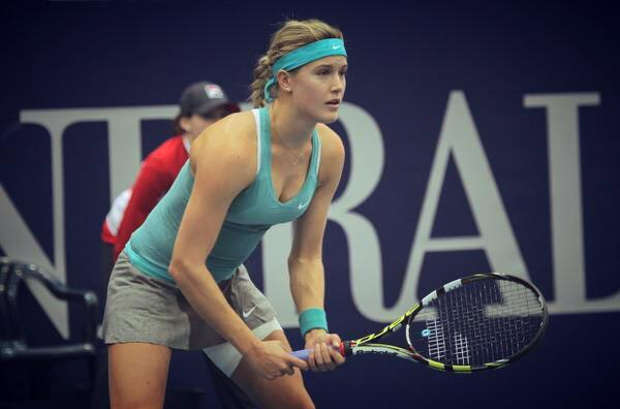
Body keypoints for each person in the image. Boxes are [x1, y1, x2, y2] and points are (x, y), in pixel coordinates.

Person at [103, 18, 348, 409]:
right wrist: (252, 348)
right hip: (149, 282)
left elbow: (305, 257)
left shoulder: (330, 152)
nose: (337, 85)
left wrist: (315, 329)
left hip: (221, 282)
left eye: (341, 72)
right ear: (285, 81)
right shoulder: (232, 147)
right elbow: (184, 265)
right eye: (323, 72)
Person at [98, 82, 252, 408]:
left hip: (194, 259)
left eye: (224, 114)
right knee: (129, 361)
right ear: (185, 122)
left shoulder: (233, 155)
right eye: (208, 115)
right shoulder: (161, 164)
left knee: (229, 352)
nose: (219, 121)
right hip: (132, 255)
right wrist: (128, 294)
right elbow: (129, 231)